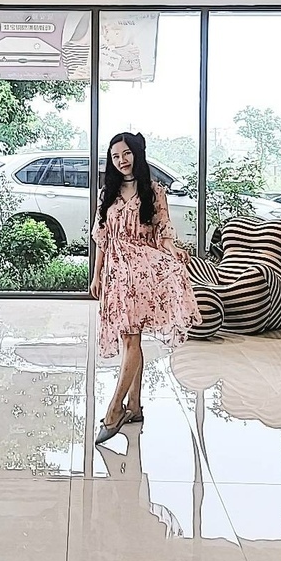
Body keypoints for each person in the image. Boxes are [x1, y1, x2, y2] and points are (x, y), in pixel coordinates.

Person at [90, 132, 202, 445]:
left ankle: (115, 409)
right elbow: (102, 239)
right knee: (131, 339)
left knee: (131, 339)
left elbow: (164, 231)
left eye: (126, 153)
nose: (121, 160)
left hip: (142, 273)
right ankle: (135, 407)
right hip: (116, 274)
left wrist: (173, 249)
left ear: (137, 154)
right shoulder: (108, 193)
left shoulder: (154, 191)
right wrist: (97, 275)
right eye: (115, 156)